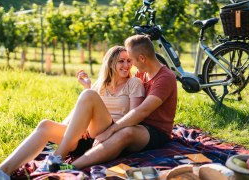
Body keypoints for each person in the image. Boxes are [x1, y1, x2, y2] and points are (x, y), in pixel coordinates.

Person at [0, 46, 145, 179]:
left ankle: (57, 157)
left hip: (109, 136)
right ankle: (2, 172)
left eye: (129, 61)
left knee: (89, 95)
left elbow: (133, 117)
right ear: (111, 63)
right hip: (86, 139)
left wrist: (108, 129)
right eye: (121, 61)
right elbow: (88, 106)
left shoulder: (133, 83)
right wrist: (88, 88)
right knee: (45, 125)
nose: (127, 65)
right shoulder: (101, 84)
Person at [47, 34, 178, 170]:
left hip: (156, 132)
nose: (130, 65)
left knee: (126, 132)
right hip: (139, 125)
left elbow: (141, 111)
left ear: (142, 58)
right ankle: (63, 150)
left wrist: (110, 130)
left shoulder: (165, 78)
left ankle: (71, 167)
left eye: (131, 60)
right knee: (124, 129)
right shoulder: (142, 73)